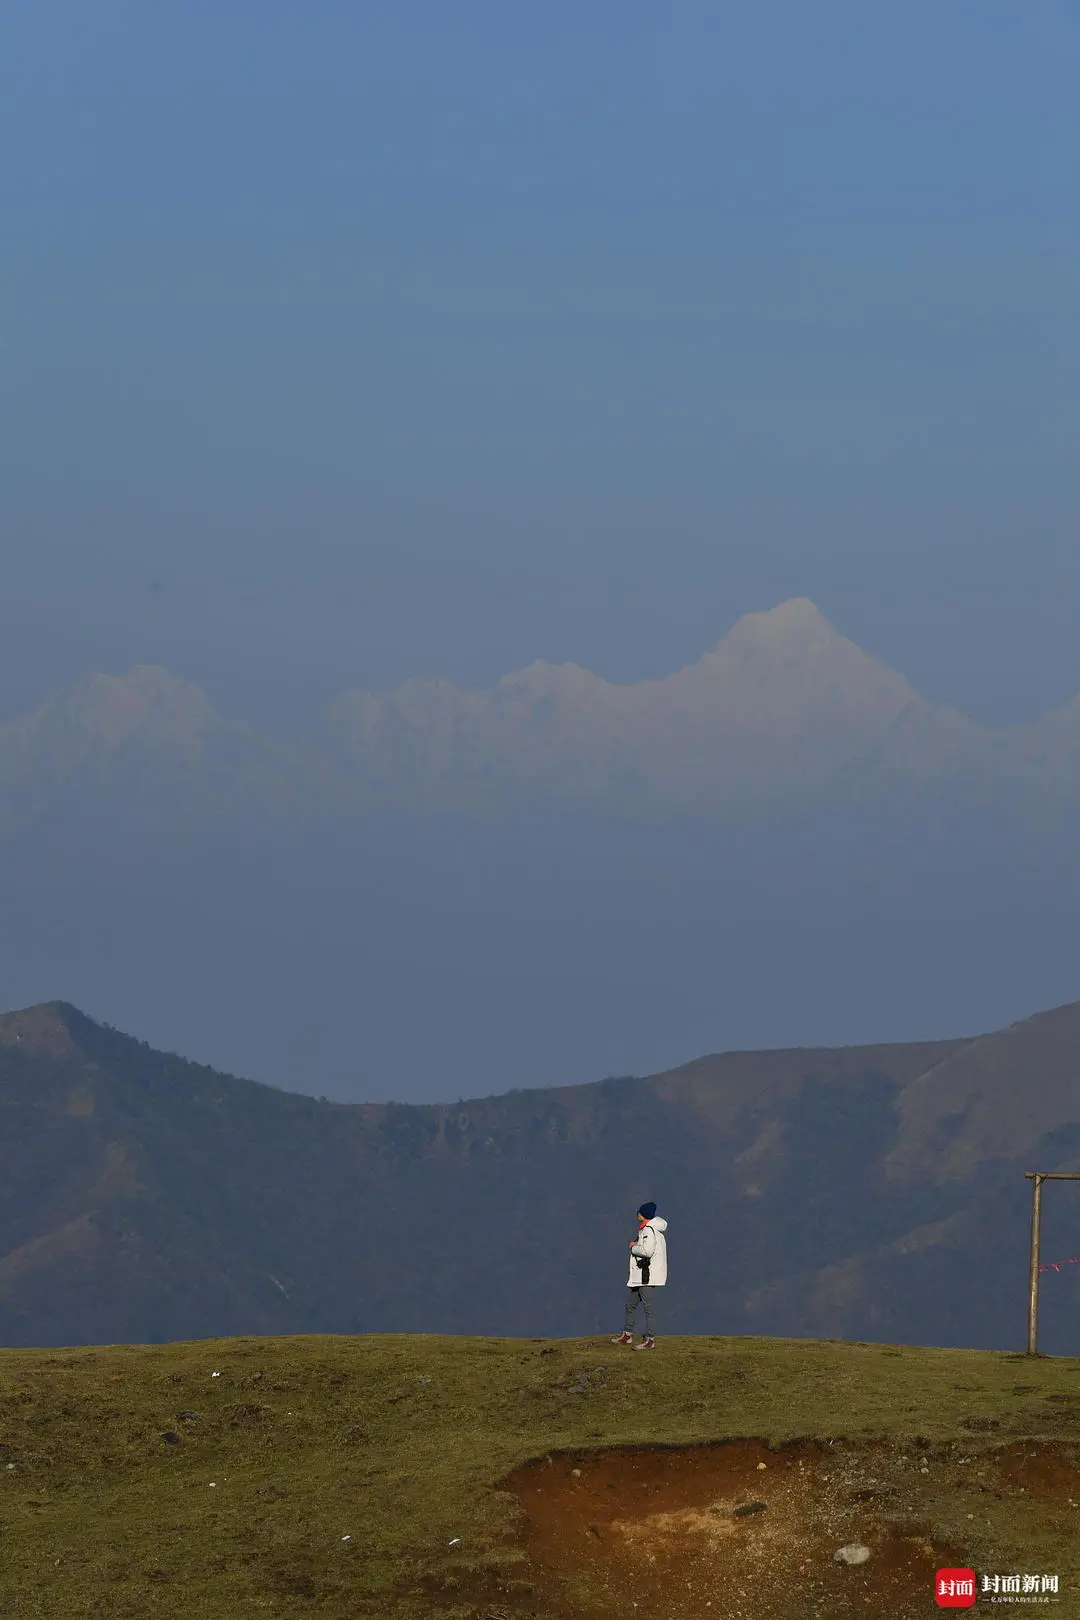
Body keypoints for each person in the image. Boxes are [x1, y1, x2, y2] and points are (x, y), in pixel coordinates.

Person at [611, 1201, 668, 1350]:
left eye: (640, 1213)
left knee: (649, 1309)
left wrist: (633, 1247)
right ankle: (627, 1334)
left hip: (646, 1276)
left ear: (643, 1215)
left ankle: (650, 1340)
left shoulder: (648, 1230)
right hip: (640, 1277)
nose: (637, 1214)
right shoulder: (649, 1229)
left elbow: (647, 1251)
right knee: (631, 1304)